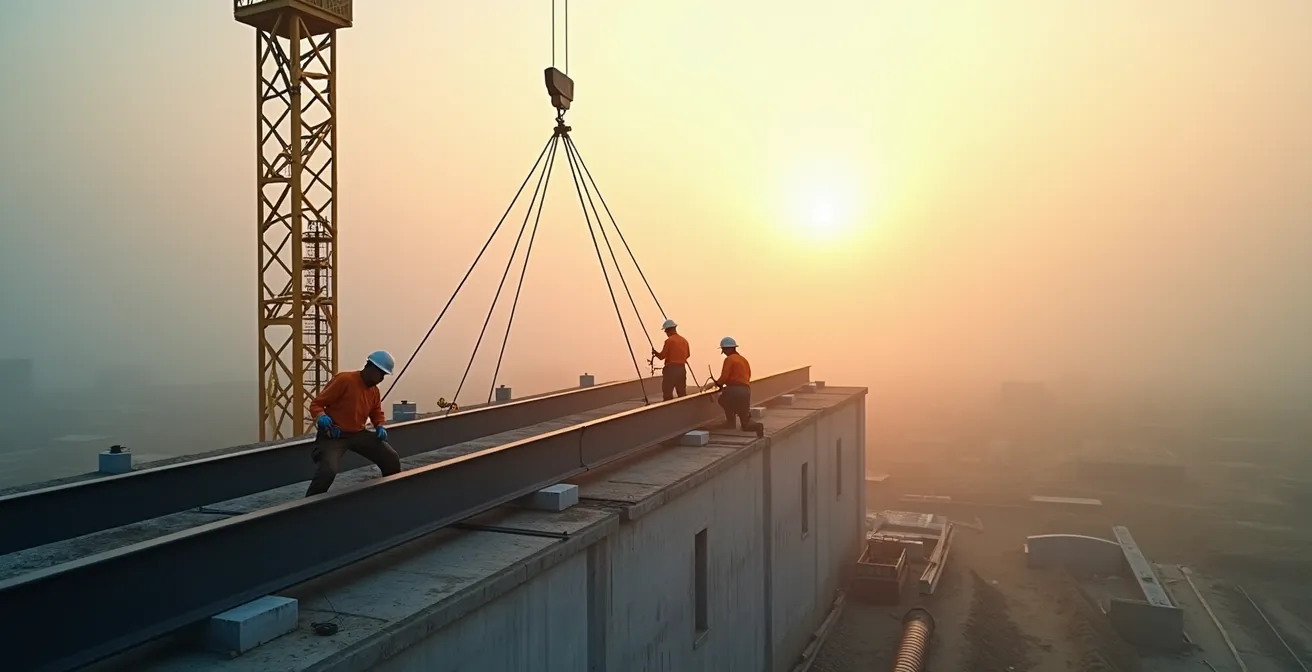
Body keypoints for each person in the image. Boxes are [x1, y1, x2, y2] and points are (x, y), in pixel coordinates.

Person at [305, 350, 402, 497]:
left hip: (357, 433)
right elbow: (316, 404)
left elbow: (376, 411)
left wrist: (380, 425)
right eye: (381, 373)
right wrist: (321, 417)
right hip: (334, 434)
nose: (382, 378)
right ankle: (310, 503)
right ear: (370, 367)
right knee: (328, 470)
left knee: (391, 459)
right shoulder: (345, 380)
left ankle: (391, 494)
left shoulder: (374, 391)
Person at [709, 336, 765, 438]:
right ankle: (757, 426)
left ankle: (730, 422)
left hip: (734, 389)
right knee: (745, 424)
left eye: (724, 350)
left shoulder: (729, 359)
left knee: (723, 400)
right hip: (746, 390)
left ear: (728, 349)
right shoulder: (743, 360)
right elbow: (748, 375)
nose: (724, 353)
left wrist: (716, 384)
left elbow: (724, 377)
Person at [651, 318, 690, 401]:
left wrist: (655, 353)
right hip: (682, 369)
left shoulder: (669, 341)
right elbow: (688, 355)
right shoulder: (684, 341)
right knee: (682, 393)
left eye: (665, 331)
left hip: (671, 370)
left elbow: (662, 356)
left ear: (668, 330)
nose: (665, 333)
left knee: (667, 392)